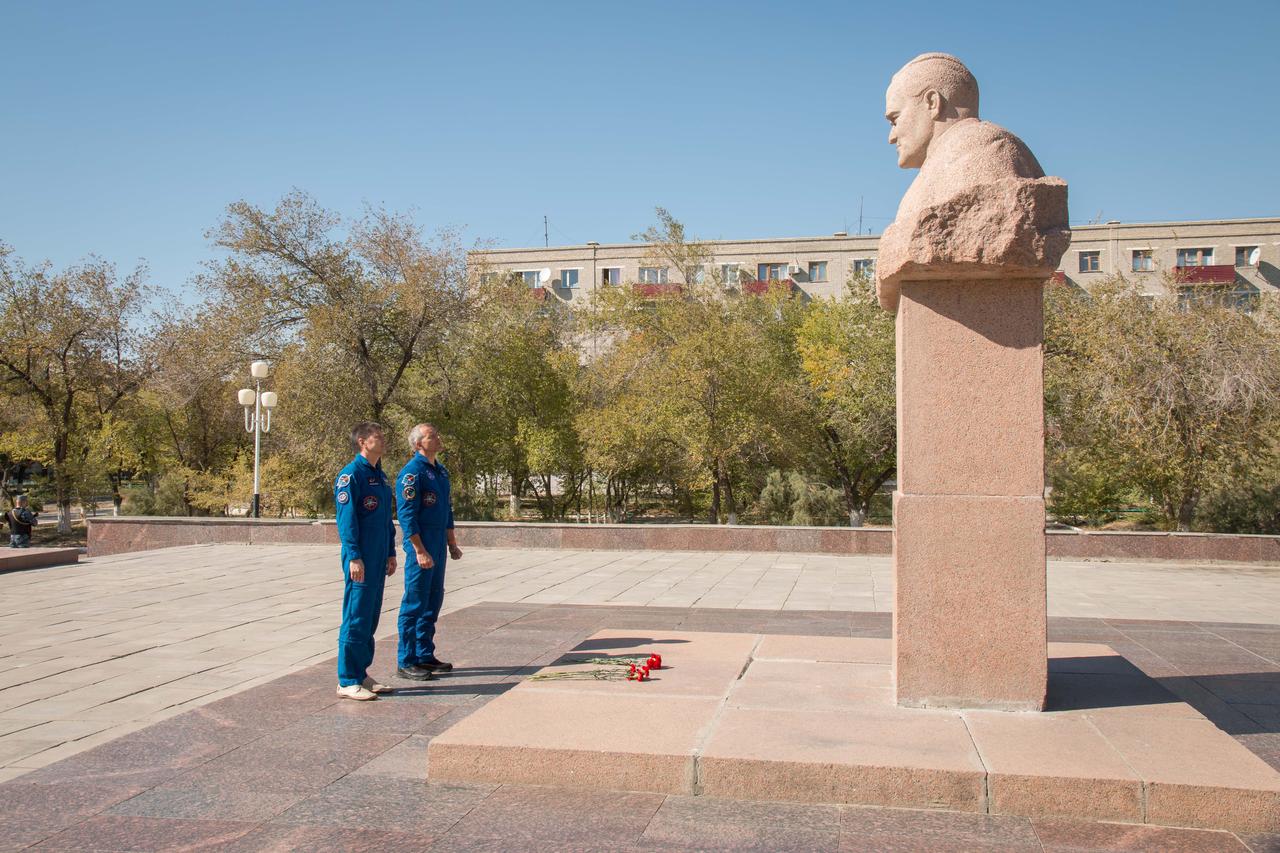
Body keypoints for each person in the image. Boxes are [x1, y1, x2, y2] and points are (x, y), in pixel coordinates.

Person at [334, 422, 398, 701]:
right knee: (356, 617)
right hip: (360, 558)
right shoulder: (351, 476)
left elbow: (386, 520)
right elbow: (346, 521)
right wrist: (354, 556)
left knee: (371, 617)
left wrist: (391, 552)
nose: (383, 441)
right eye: (378, 437)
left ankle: (361, 673)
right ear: (362, 441)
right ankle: (347, 679)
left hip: (378, 556)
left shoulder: (381, 478)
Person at [394, 423, 463, 681]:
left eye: (437, 433)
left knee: (433, 600)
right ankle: (406, 659)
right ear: (418, 443)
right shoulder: (412, 474)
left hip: (438, 545)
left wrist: (451, 542)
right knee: (414, 602)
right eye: (431, 436)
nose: (437, 438)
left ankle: (424, 654)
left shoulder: (440, 472)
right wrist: (419, 550)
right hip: (421, 546)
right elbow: (407, 516)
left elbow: (447, 511)